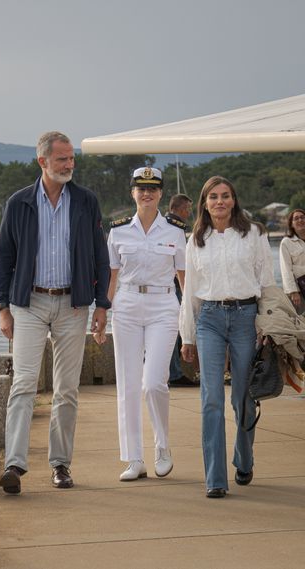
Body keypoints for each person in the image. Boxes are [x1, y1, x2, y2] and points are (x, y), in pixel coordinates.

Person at [0, 131, 110, 494]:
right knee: (24, 384)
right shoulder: (19, 203)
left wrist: (102, 304)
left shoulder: (86, 202)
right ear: (42, 161)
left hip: (73, 304)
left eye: (72, 158)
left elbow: (99, 256)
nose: (69, 164)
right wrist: (2, 307)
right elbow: (5, 260)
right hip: (27, 303)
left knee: (67, 389)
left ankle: (60, 465)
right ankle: (14, 464)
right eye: (62, 159)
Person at [180, 175, 275, 498]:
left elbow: (266, 283)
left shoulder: (254, 234)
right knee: (211, 399)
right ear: (204, 203)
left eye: (225, 196)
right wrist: (187, 336)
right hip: (209, 318)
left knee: (243, 398)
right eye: (213, 197)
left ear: (234, 200)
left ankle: (244, 459)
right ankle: (215, 479)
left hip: (247, 318)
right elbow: (190, 291)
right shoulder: (196, 240)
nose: (219, 201)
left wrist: (266, 325)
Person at [97, 166, 186, 481]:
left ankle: (163, 447)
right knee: (129, 384)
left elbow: (183, 279)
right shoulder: (119, 229)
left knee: (153, 383)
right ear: (133, 192)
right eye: (140, 188)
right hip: (128, 305)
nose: (146, 193)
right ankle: (134, 459)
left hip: (164, 305)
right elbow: (111, 274)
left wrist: (189, 321)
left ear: (160, 192)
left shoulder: (175, 230)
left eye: (152, 188)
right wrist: (102, 312)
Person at [165, 194, 197, 387]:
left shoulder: (170, 225)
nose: (189, 212)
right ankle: (174, 374)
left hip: (173, 285)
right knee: (174, 332)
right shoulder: (173, 227)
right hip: (174, 286)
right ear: (178, 208)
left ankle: (173, 373)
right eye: (187, 209)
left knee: (175, 332)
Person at [279, 208, 305, 314]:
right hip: (299, 289)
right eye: (296, 218)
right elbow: (285, 269)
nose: (300, 220)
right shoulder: (286, 242)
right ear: (291, 224)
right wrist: (293, 291)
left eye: (303, 217)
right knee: (300, 320)